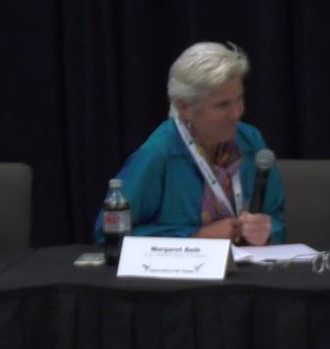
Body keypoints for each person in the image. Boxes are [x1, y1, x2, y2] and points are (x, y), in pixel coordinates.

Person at [99, 42, 284, 244]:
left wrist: (267, 230)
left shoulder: (251, 140)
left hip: (251, 270)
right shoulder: (159, 154)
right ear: (185, 107)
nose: (236, 113)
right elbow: (109, 234)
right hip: (182, 274)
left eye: (239, 99)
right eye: (222, 105)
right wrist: (195, 237)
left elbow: (277, 217)